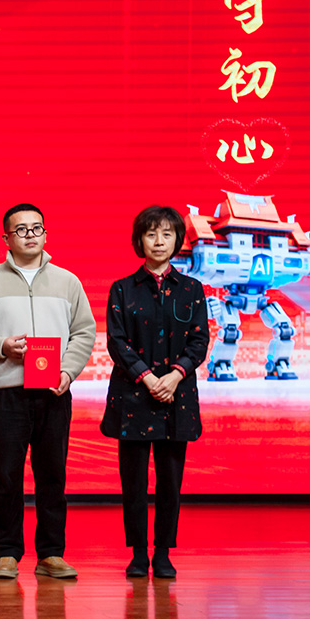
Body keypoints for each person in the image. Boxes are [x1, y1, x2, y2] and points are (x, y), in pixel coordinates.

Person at [0, 204, 96, 581]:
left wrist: (68, 372)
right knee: (6, 474)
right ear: (6, 238)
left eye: (37, 228)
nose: (30, 235)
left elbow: (84, 331)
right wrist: (1, 346)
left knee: (52, 474)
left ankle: (51, 553)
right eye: (20, 230)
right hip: (8, 392)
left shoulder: (68, 281)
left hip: (54, 391)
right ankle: (6, 553)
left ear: (46, 234)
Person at [104, 205, 209, 579]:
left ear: (178, 241)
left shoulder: (192, 289)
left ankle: (163, 553)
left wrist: (175, 376)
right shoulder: (122, 289)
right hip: (134, 396)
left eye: (167, 234)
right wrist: (148, 378)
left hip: (175, 398)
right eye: (151, 234)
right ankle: (137, 554)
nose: (159, 241)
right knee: (132, 483)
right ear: (139, 241)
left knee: (170, 482)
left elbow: (199, 341)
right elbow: (117, 342)